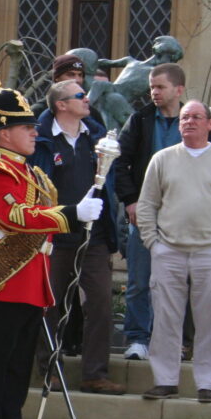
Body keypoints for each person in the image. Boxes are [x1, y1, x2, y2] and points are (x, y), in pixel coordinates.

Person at [0, 85, 103, 419]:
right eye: (26, 128)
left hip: (30, 278)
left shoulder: (33, 172)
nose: (33, 133)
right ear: (4, 132)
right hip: (3, 277)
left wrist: (79, 208)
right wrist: (71, 213)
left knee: (16, 370)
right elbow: (16, 218)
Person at [137, 101, 211, 403]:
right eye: (185, 117)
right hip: (168, 250)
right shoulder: (162, 159)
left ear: (210, 124)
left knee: (210, 319)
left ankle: (209, 383)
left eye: (197, 117)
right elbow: (147, 206)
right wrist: (153, 244)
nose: (189, 122)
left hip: (210, 251)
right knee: (165, 318)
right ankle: (165, 379)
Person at [28, 81, 124, 395]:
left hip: (93, 237)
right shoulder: (41, 139)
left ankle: (95, 373)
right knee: (50, 305)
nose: (87, 100)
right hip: (53, 235)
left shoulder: (96, 136)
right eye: (80, 96)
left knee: (100, 302)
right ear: (61, 105)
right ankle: (49, 370)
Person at [112, 62, 186, 361]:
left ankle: (167, 339)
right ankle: (138, 338)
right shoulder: (140, 120)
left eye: (160, 87)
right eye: (152, 87)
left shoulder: (193, 121)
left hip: (183, 217)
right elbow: (120, 162)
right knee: (140, 280)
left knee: (175, 284)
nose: (154, 92)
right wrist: (130, 200)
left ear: (178, 90)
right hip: (145, 214)